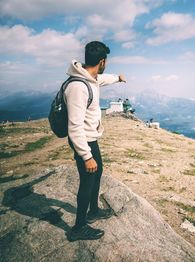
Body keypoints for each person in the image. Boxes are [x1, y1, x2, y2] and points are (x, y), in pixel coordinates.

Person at [64, 41, 126, 241]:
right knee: (87, 180)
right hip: (84, 141)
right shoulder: (78, 87)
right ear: (102, 61)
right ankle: (78, 228)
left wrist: (117, 78)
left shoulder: (91, 78)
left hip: (91, 138)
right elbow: (74, 127)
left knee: (98, 172)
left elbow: (103, 79)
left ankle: (93, 211)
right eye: (105, 62)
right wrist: (86, 156)